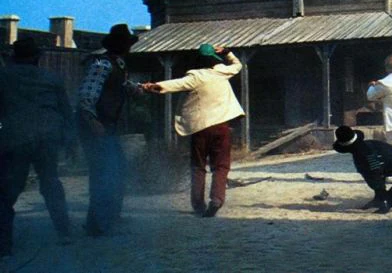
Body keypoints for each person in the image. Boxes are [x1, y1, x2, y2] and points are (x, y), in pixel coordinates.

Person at [142, 44, 244, 217]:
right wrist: (227, 52)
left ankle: (198, 205)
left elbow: (174, 84)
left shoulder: (195, 77)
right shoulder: (222, 72)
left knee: (198, 167)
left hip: (201, 128)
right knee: (221, 166)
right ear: (214, 59)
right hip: (222, 127)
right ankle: (217, 199)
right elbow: (238, 65)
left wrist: (152, 86)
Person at [0, 38, 73, 257]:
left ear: (13, 56)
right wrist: (70, 142)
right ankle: (64, 232)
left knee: (7, 192)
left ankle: (4, 244)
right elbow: (66, 112)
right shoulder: (52, 78)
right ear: (37, 58)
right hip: (47, 138)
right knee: (50, 183)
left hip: (15, 138)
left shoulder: (3, 77)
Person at [77, 23, 141, 236]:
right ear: (122, 46)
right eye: (127, 44)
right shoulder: (102, 64)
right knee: (102, 173)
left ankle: (110, 217)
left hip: (107, 126)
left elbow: (122, 84)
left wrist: (139, 89)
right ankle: (96, 224)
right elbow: (87, 95)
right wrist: (92, 121)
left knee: (116, 169)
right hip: (96, 126)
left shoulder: (117, 64)